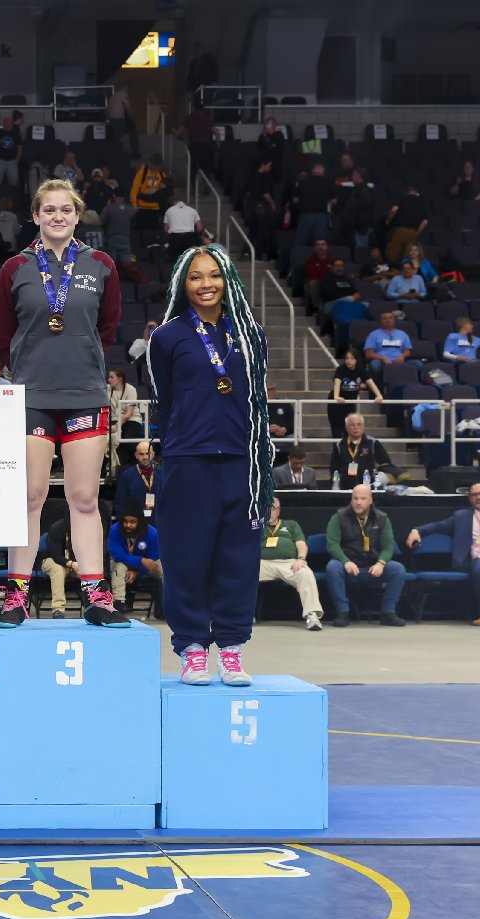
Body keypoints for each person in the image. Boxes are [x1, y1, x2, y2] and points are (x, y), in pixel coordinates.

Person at [0, 178, 128, 628]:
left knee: (84, 498)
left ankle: (96, 596)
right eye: (48, 209)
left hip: (84, 393)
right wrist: (32, 369)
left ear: (77, 215)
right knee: (29, 496)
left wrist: (78, 361)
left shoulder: (100, 264)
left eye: (66, 209)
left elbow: (108, 327)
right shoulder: (15, 268)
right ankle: (16, 597)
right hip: (31, 397)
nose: (57, 216)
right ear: (35, 216)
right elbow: (4, 334)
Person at [147, 244, 273, 686]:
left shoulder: (251, 334)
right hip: (187, 462)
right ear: (183, 284)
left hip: (241, 461)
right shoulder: (167, 337)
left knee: (238, 560)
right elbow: (164, 401)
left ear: (228, 280)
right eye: (196, 276)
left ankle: (232, 649)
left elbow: (257, 400)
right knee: (186, 559)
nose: (206, 284)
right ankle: (192, 649)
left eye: (214, 275)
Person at [324, 484, 407, 627]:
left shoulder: (382, 518)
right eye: (355, 498)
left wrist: (381, 563)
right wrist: (345, 561)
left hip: (372, 567)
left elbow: (388, 546)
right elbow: (332, 544)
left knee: (398, 569)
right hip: (349, 567)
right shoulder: (339, 517)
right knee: (332, 567)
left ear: (370, 500)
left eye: (363, 498)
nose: (358, 502)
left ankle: (388, 613)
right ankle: (343, 613)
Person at [405, 483, 480, 625]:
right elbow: (438, 526)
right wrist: (417, 531)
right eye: (474, 494)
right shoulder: (462, 516)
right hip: (473, 559)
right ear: (469, 498)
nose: (478, 497)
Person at [259, 496, 324, 630]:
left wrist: (301, 559)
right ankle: (239, 615)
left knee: (306, 574)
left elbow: (301, 543)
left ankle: (312, 616)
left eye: (271, 509)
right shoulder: (257, 525)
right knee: (242, 574)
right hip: (263, 563)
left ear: (278, 511)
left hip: (288, 563)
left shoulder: (291, 524)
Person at [107, 498, 163, 613]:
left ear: (140, 521)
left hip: (144, 567)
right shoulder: (115, 530)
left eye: (132, 522)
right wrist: (141, 560)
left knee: (162, 567)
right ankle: (118, 606)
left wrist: (137, 571)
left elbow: (153, 558)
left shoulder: (152, 533)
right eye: (125, 521)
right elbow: (118, 555)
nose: (128, 525)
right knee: (119, 567)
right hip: (124, 564)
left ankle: (165, 606)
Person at [328, 412, 407, 489]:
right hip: (346, 488)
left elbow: (385, 464)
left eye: (359, 424)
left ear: (363, 426)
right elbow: (334, 468)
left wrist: (378, 479)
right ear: (346, 427)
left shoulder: (373, 443)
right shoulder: (340, 445)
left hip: (369, 488)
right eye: (352, 425)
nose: (356, 427)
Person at [328, 347, 382, 438]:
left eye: (352, 358)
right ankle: (337, 448)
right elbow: (337, 383)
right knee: (336, 433)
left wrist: (379, 395)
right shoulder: (341, 369)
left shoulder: (361, 370)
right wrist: (336, 397)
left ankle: (349, 448)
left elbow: (371, 383)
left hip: (350, 404)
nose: (348, 361)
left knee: (349, 432)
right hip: (336, 405)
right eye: (347, 358)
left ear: (356, 360)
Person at [362, 308, 414, 384]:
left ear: (394, 320)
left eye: (390, 318)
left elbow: (408, 351)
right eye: (384, 318)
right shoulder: (373, 334)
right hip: (381, 361)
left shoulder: (402, 334)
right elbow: (368, 354)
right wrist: (383, 358)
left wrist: (402, 356)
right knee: (374, 365)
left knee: (417, 364)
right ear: (380, 321)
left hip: (398, 360)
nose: (387, 320)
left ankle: (408, 387)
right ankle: (379, 387)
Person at [114, 439, 162, 520]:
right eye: (141, 454)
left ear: (153, 454)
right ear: (136, 455)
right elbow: (120, 502)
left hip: (159, 521)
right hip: (135, 522)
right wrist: (125, 523)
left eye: (148, 453)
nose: (145, 457)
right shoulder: (127, 476)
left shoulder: (162, 474)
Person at [38, 516, 76, 619]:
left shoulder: (86, 528)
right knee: (58, 569)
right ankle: (58, 609)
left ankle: (94, 605)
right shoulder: (57, 528)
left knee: (89, 569)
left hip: (72, 563)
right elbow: (56, 556)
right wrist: (72, 564)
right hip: (51, 560)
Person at [383, 186, 429, 268]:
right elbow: (425, 222)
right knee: (408, 257)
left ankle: (392, 270)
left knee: (392, 255)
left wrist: (388, 221)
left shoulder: (402, 198)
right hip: (413, 232)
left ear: (407, 192)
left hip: (399, 230)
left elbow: (394, 210)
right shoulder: (421, 203)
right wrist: (417, 233)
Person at [0, 114, 22, 190]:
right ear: (4, 123)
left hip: (12, 161)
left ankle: (12, 197)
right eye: (8, 123)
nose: (10, 124)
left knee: (14, 184)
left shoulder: (16, 134)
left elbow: (19, 148)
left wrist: (17, 160)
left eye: (11, 123)